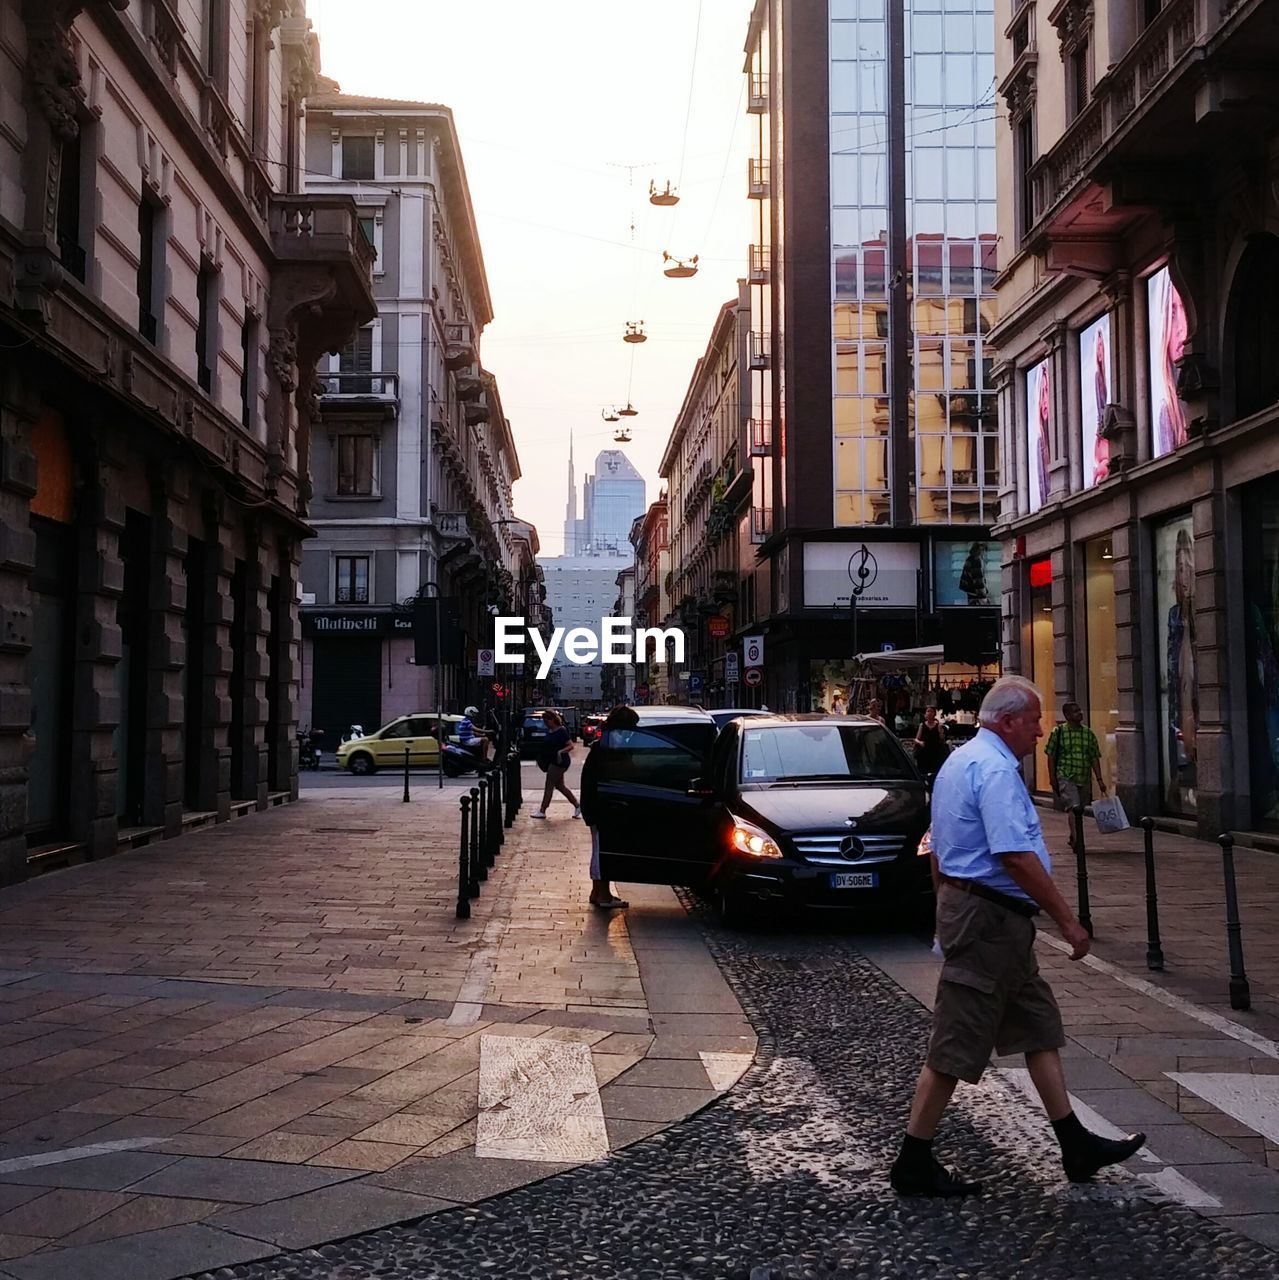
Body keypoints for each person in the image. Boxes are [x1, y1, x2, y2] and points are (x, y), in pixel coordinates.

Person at [889, 675, 1145, 1197]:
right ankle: (912, 1159)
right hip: (990, 921)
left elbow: (938, 846)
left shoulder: (959, 763)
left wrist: (944, 902)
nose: (1039, 730)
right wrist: (1067, 921)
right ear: (1006, 721)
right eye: (1032, 721)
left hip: (987, 916)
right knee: (956, 1039)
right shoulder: (996, 772)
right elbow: (1015, 855)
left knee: (1036, 1025)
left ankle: (1074, 1144)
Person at [578, 705, 634, 909]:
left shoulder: (606, 740)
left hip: (597, 803)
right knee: (601, 851)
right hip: (601, 805)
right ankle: (602, 895)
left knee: (599, 848)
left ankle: (599, 892)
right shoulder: (612, 743)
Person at [1045, 701, 1106, 847]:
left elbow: (1094, 757)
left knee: (1080, 809)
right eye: (1075, 711)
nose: (1080, 713)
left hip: (1083, 777)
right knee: (1074, 807)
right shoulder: (1059, 732)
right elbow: (1051, 755)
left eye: (1079, 710)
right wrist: (1053, 778)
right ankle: (1079, 840)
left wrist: (1099, 780)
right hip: (1066, 776)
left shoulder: (1088, 733)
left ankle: (1074, 835)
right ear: (1067, 715)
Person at [531, 709, 580, 819]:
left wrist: (560, 752)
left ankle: (543, 810)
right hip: (553, 761)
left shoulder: (561, 731)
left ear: (553, 719)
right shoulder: (550, 731)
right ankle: (577, 805)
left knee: (549, 785)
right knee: (560, 786)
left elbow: (570, 745)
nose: (545, 724)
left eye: (547, 721)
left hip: (560, 762)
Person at [913, 706, 948, 781]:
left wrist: (941, 733)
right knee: (923, 773)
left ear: (934, 714)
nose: (929, 713)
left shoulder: (938, 726)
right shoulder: (922, 725)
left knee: (934, 773)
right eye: (928, 711)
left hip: (935, 753)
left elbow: (942, 740)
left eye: (931, 711)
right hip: (924, 753)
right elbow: (916, 739)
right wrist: (920, 742)